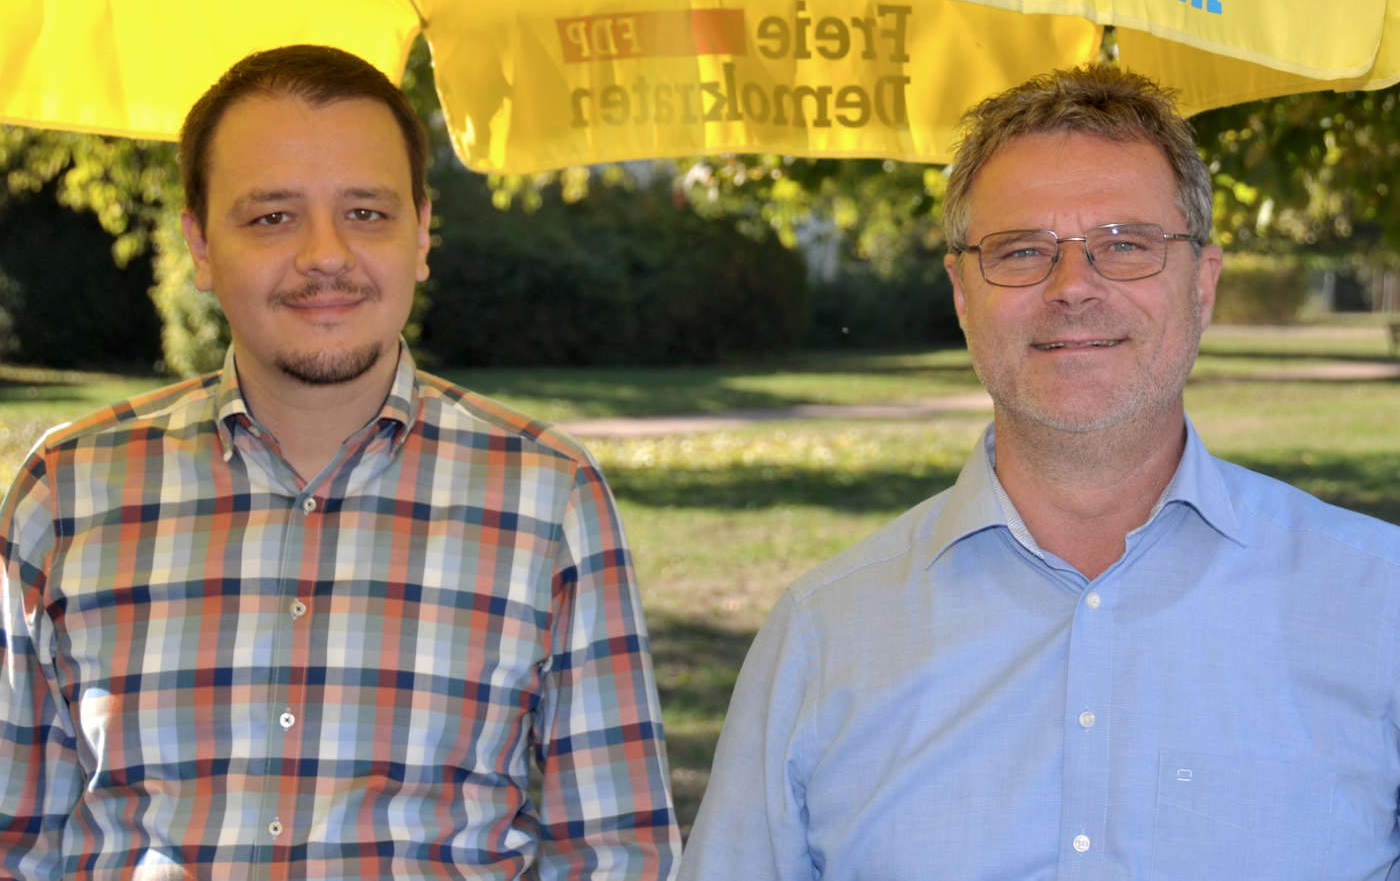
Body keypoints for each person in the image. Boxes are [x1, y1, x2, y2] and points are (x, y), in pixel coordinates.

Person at [679, 65, 1400, 881]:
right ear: (962, 295)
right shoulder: (822, 637)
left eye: (1125, 245)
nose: (1073, 288)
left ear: (1202, 285)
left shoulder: (1380, 608)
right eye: (1022, 251)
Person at [0, 45, 679, 879]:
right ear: (200, 245)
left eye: (365, 212)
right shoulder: (67, 492)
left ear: (421, 234)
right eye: (272, 217)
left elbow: (618, 856)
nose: (326, 254)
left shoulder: (548, 497)